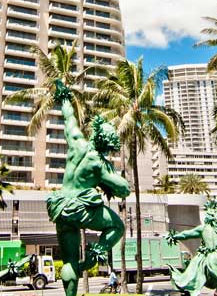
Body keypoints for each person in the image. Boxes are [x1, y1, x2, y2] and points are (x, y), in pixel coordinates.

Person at [47, 80, 130, 296]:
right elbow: (124, 189)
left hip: (59, 206)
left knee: (69, 261)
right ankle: (95, 254)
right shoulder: (99, 164)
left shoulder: (76, 142)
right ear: (107, 145)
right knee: (117, 227)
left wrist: (64, 97)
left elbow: (69, 118)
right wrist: (110, 178)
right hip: (79, 207)